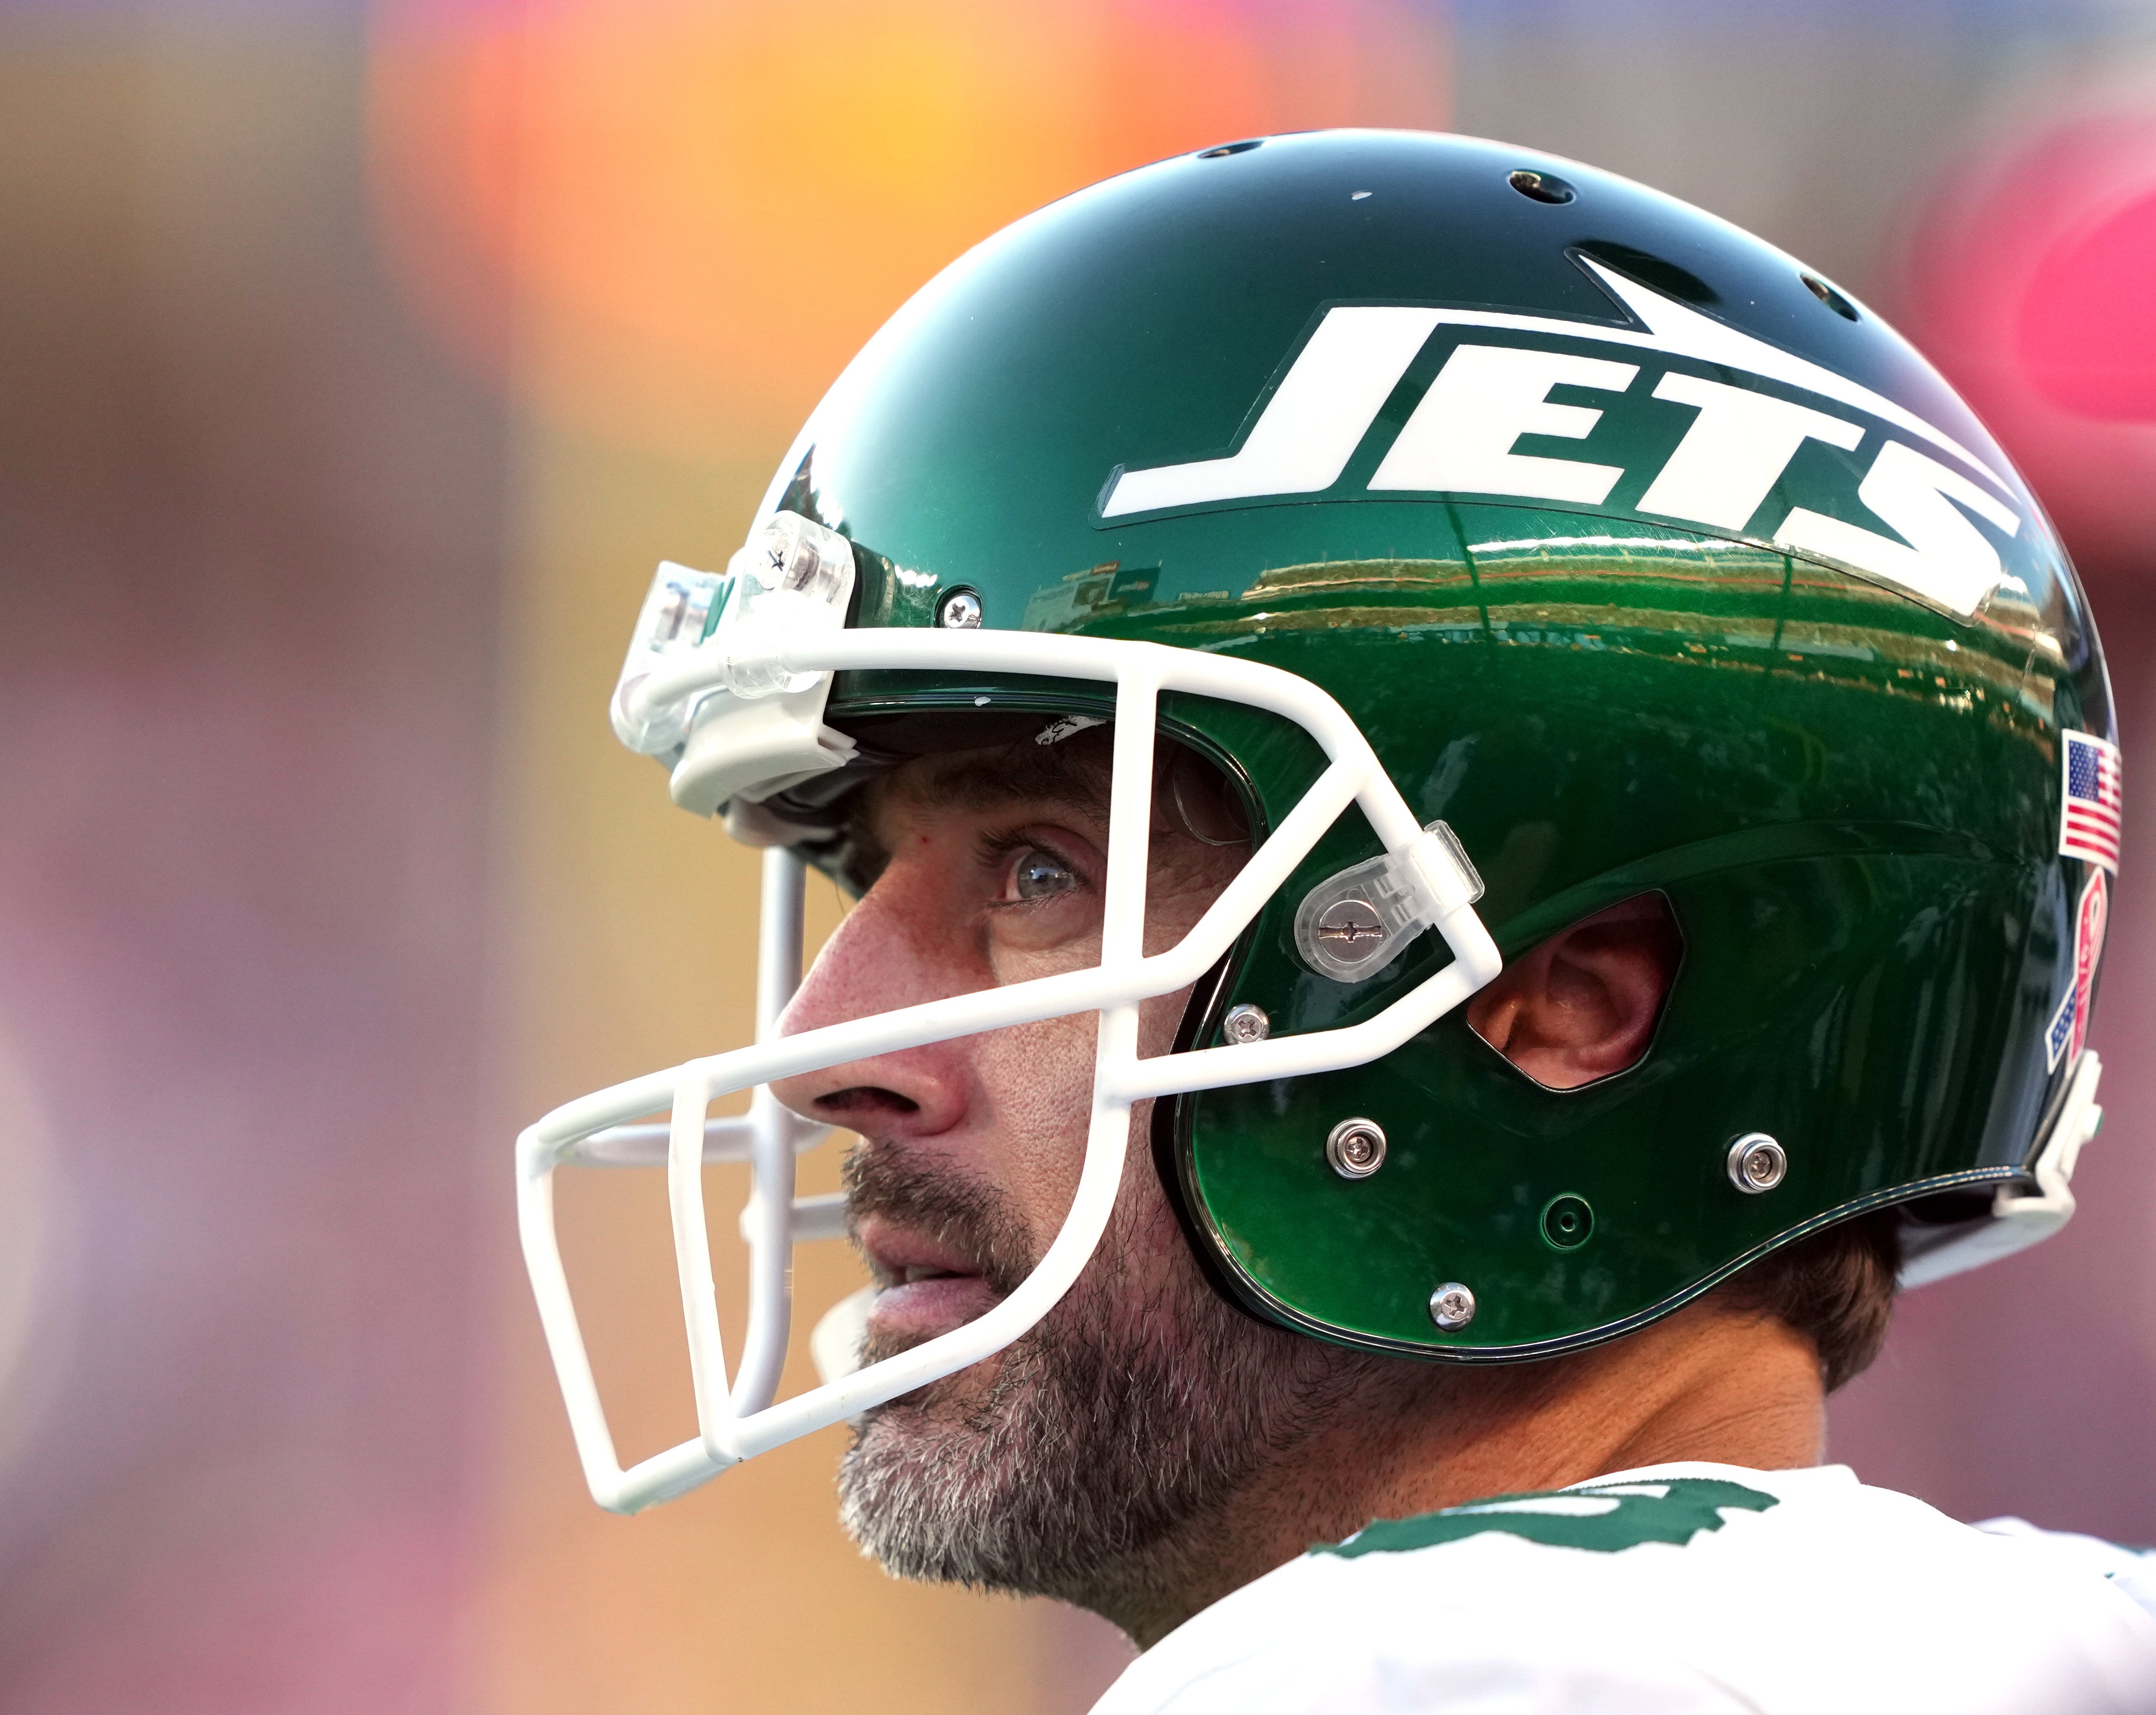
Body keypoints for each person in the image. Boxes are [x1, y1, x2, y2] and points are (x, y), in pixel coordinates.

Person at [516, 130, 2156, 1712]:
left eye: (1039, 874)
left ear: (1558, 999)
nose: (818, 1048)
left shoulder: (1405, 1678)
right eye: (862, 870)